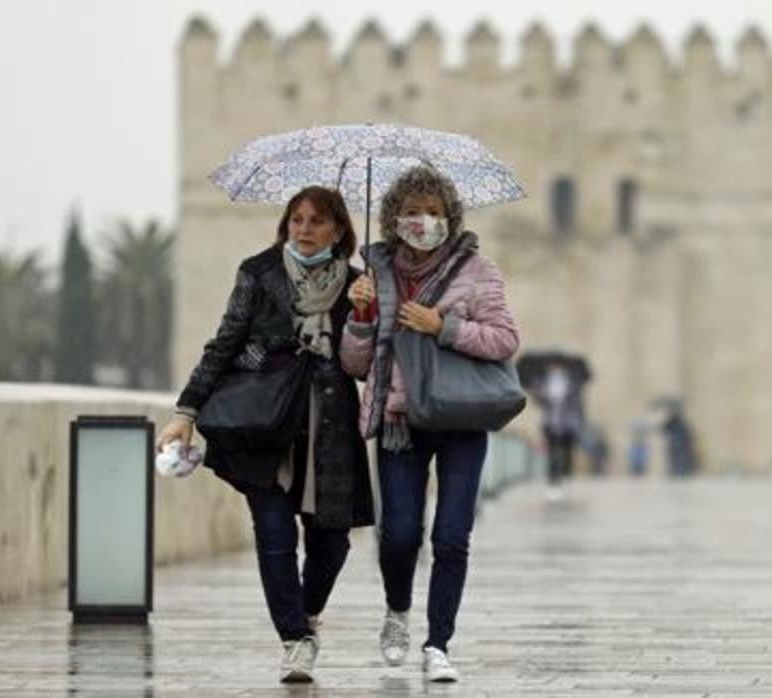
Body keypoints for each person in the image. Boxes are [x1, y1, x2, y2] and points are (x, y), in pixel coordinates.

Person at [157, 186, 373, 684]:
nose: (303, 229)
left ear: (338, 229)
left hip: (329, 426)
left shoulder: (359, 285)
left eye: (316, 221)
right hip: (264, 424)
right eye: (296, 219)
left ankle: (308, 611)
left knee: (332, 542)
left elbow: (363, 367)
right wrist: (185, 411)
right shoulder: (259, 273)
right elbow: (225, 342)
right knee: (274, 536)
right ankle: (295, 640)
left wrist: (364, 314)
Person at [340, 165, 519, 683]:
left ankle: (438, 642)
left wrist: (443, 326)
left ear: (451, 219)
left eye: (435, 213)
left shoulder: (478, 271)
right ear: (395, 218)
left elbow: (505, 340)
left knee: (452, 536)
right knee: (398, 534)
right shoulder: (374, 277)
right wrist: (360, 317)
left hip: (461, 415)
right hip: (399, 419)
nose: (424, 222)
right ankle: (397, 610)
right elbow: (355, 366)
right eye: (414, 212)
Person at [533, 362, 585, 497]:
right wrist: (542, 394)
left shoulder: (571, 383)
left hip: (567, 424)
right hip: (550, 423)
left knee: (566, 451)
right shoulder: (543, 383)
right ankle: (553, 481)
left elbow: (577, 405)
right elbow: (538, 402)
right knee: (552, 452)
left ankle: (565, 476)